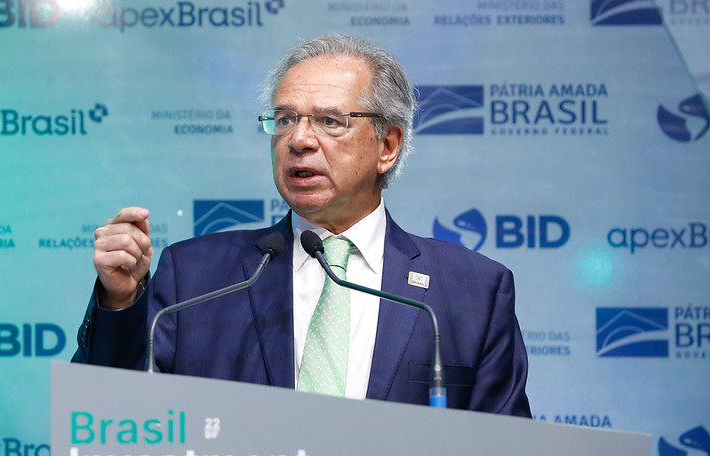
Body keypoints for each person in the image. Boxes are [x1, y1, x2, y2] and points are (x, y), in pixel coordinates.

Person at [73, 34, 531, 417]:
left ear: (387, 145)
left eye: (330, 121)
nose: (298, 140)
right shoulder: (195, 276)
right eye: (285, 119)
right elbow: (117, 420)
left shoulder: (473, 290)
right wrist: (121, 301)